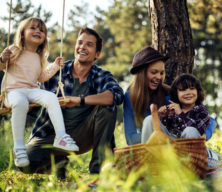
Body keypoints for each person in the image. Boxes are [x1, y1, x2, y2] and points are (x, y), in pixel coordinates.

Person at [18, 27, 124, 177]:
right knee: (25, 161)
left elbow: (116, 95)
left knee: (107, 108)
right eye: (80, 43)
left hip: (81, 135)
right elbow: (34, 95)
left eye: (89, 44)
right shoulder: (57, 72)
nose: (82, 47)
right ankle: (60, 166)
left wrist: (80, 100)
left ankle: (98, 171)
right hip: (51, 135)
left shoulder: (100, 75)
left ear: (97, 54)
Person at [0, 17, 79, 168]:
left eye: (42, 30)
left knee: (51, 97)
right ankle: (19, 148)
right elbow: (1, 66)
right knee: (20, 102)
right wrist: (3, 58)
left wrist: (55, 66)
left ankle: (61, 136)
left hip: (31, 89)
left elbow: (41, 77)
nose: (38, 31)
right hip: (12, 92)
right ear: (22, 34)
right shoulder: (15, 50)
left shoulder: (39, 56)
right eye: (33, 28)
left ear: (44, 38)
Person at [141, 73, 210, 142]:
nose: (188, 93)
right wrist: (163, 117)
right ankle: (145, 151)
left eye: (192, 89)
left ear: (198, 92)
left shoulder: (202, 111)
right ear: (176, 94)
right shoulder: (173, 109)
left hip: (190, 148)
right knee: (150, 119)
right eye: (183, 90)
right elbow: (165, 131)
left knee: (190, 130)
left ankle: (189, 153)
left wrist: (180, 114)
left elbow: (196, 132)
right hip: (171, 144)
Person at [123, 47, 170, 145]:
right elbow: (130, 139)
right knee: (149, 121)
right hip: (147, 148)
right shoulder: (129, 96)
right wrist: (152, 131)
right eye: (154, 72)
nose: (159, 77)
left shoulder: (168, 93)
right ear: (142, 73)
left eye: (161, 73)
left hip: (168, 145)